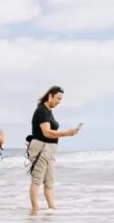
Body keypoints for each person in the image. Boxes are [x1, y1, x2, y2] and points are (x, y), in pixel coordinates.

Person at [27, 85, 81, 214]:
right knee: (37, 180)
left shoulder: (48, 111)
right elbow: (46, 132)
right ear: (50, 96)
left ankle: (52, 210)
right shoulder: (42, 111)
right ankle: (35, 210)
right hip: (41, 147)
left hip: (49, 149)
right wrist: (67, 133)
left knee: (49, 182)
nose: (59, 102)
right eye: (58, 98)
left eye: (60, 100)